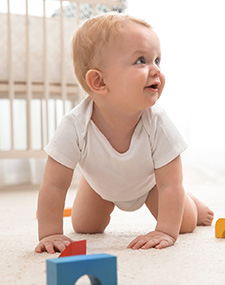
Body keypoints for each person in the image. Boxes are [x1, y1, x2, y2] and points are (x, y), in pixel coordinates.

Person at [35, 12, 214, 254]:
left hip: (152, 185)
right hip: (100, 185)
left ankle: (193, 201)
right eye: (141, 61)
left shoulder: (157, 122)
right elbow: (53, 186)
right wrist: (50, 233)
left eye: (157, 61)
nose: (155, 71)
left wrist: (165, 232)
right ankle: (93, 181)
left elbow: (171, 183)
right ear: (99, 82)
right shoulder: (75, 125)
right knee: (85, 226)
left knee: (185, 223)